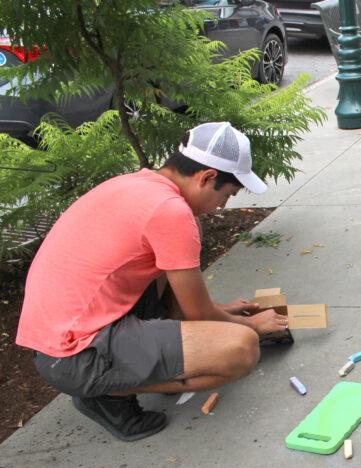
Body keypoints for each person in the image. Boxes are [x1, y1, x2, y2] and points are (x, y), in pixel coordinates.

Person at [16, 122, 289, 441]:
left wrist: (220, 310)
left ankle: (152, 362)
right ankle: (107, 397)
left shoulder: (138, 184)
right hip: (76, 356)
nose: (223, 206)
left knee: (176, 251)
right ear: (207, 178)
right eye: (226, 195)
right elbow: (200, 317)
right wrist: (253, 325)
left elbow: (193, 303)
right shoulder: (171, 212)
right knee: (241, 350)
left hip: (56, 341)